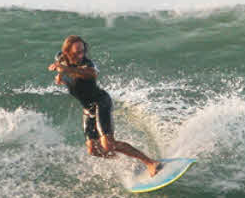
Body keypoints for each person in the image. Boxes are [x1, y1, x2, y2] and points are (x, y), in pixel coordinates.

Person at [48, 35, 163, 176]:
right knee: (93, 150)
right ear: (67, 52)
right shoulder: (60, 59)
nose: (81, 54)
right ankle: (128, 163)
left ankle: (150, 163)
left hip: (100, 102)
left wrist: (66, 71)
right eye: (77, 52)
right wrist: (60, 76)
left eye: (83, 51)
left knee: (108, 144)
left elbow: (91, 74)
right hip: (87, 109)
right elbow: (61, 67)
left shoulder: (87, 65)